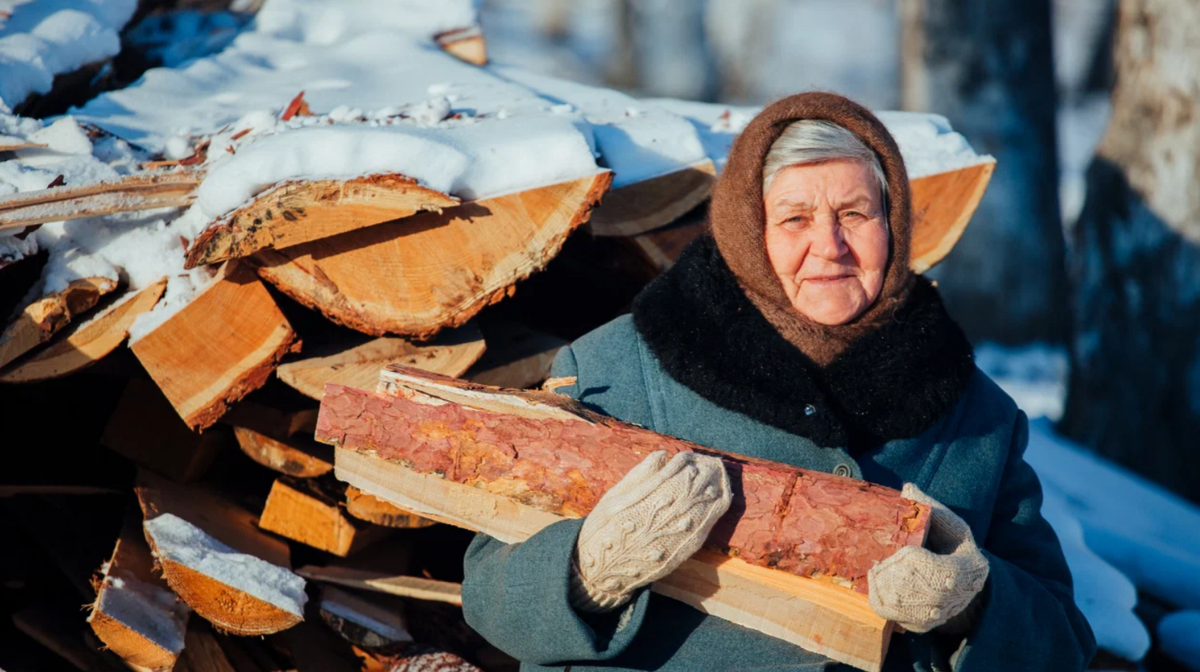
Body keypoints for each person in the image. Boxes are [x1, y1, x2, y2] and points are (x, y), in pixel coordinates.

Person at [461, 92, 1096, 671]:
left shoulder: (975, 412)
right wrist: (586, 570)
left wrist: (973, 605)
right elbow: (488, 593)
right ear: (747, 230)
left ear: (894, 224)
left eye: (854, 213)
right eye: (794, 219)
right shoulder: (614, 371)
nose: (830, 245)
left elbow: (1062, 644)